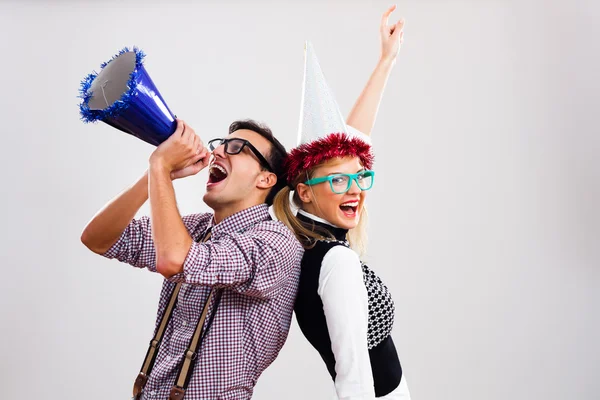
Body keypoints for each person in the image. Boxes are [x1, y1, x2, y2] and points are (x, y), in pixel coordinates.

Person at [80, 118, 303, 399]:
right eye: (220, 144)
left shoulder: (277, 242)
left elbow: (176, 260)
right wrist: (156, 174)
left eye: (237, 147)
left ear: (265, 179)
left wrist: (160, 166)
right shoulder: (196, 229)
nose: (219, 151)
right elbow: (98, 238)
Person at [273, 6, 410, 399]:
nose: (356, 189)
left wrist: (386, 60)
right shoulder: (336, 261)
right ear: (306, 191)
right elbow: (352, 373)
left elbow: (352, 142)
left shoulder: (310, 233)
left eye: (360, 177)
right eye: (339, 181)